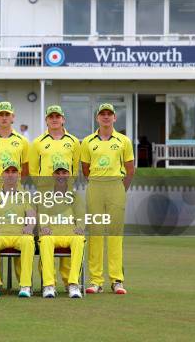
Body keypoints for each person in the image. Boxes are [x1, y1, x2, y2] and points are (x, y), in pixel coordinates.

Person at [81, 103, 135, 295]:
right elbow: (85, 169)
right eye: (102, 114)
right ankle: (96, 280)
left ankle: (116, 280)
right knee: (95, 232)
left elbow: (130, 169)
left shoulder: (123, 141)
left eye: (109, 114)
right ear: (97, 118)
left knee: (115, 234)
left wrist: (120, 188)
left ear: (114, 118)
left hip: (116, 186)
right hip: (95, 185)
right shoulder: (88, 141)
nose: (105, 117)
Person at [29, 104, 81, 286]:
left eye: (57, 116)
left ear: (63, 119)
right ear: (46, 120)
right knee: (45, 235)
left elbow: (75, 166)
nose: (54, 119)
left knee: (68, 232)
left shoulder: (74, 141)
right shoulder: (38, 142)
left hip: (66, 193)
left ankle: (69, 282)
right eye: (51, 116)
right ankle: (47, 282)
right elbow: (33, 169)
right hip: (45, 194)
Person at [0, 160, 36, 298]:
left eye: (14, 172)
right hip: (1, 235)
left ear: (19, 175)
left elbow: (31, 215)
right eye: (7, 172)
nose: (10, 175)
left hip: (19, 235)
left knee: (28, 241)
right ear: (2, 174)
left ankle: (25, 285)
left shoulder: (25, 195)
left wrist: (29, 227)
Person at [37, 161, 84, 299]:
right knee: (45, 241)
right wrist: (44, 227)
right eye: (58, 173)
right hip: (51, 234)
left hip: (70, 234)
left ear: (69, 175)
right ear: (53, 175)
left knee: (79, 240)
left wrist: (80, 228)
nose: (61, 176)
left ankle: (73, 284)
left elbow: (81, 216)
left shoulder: (75, 197)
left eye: (64, 172)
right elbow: (42, 213)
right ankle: (49, 285)